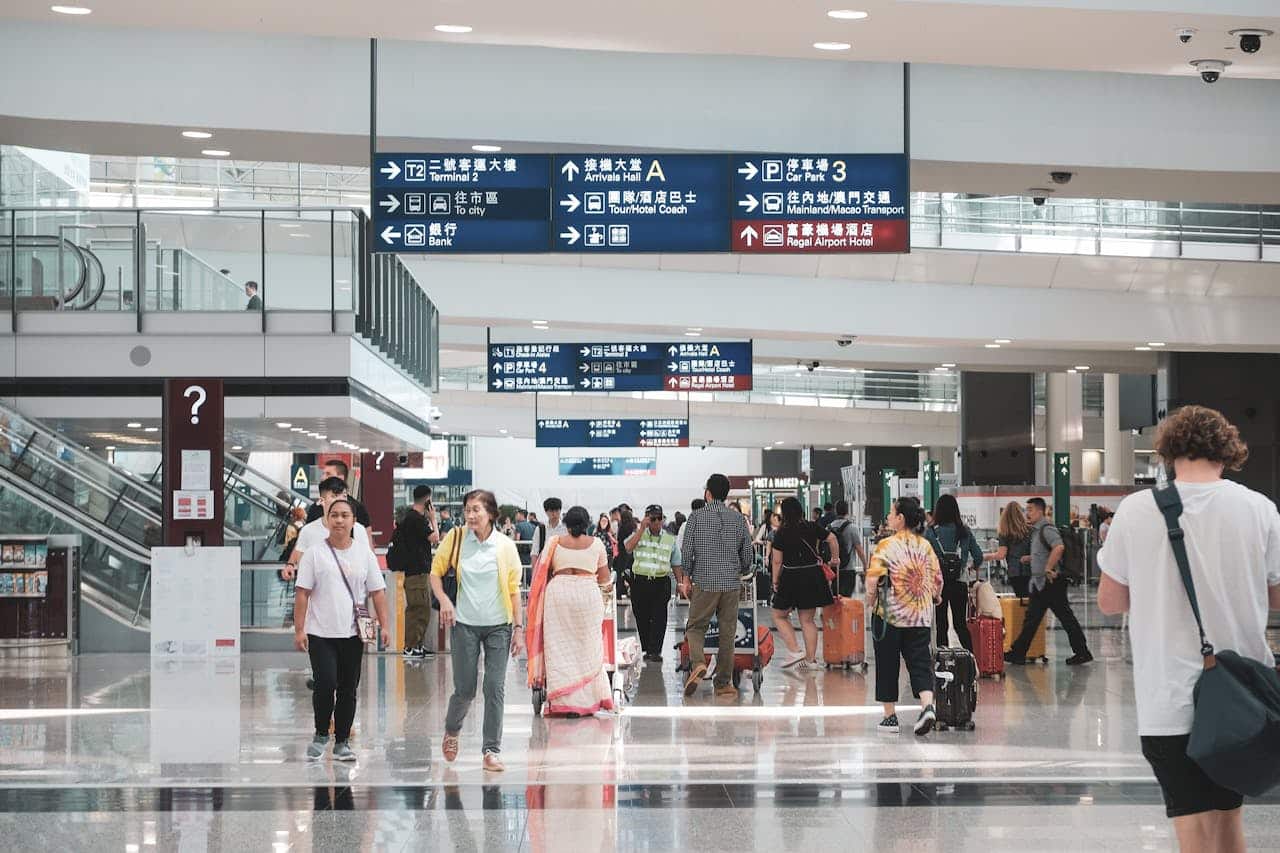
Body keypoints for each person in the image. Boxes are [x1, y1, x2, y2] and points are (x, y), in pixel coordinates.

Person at [1098, 405, 1280, 853]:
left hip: (1168, 696)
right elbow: (1277, 596)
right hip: (1243, 698)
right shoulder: (1260, 509)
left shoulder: (1136, 511)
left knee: (1193, 830)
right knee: (1228, 823)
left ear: (1169, 452)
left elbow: (1109, 602)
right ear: (1228, 452)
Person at [432, 490, 523, 773]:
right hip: (465, 626)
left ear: (491, 514)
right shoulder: (456, 538)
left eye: (476, 510)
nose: (470, 515)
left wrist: (519, 628)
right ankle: (452, 729)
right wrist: (445, 601)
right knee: (465, 689)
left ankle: (491, 750)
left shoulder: (505, 546)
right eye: (467, 510)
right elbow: (435, 573)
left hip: (499, 626)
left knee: (494, 686)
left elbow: (514, 590)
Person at [293, 498, 391, 761]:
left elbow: (378, 592)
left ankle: (342, 741)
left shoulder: (364, 553)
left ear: (353, 521)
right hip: (320, 632)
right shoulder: (315, 553)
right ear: (327, 520)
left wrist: (385, 625)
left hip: (353, 632)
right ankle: (321, 733)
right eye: (334, 515)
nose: (339, 520)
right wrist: (299, 629)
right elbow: (302, 593)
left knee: (349, 687)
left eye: (344, 515)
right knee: (325, 682)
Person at [866, 496, 943, 736]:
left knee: (888, 665)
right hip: (919, 616)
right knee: (920, 663)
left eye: (891, 513)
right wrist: (936, 597)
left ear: (900, 519)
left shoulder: (886, 546)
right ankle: (927, 706)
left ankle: (890, 718)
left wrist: (870, 602)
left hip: (890, 617)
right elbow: (938, 579)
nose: (889, 517)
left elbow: (871, 581)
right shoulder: (925, 546)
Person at [526, 506, 614, 716]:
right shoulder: (597, 544)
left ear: (566, 524)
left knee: (559, 647)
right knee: (587, 645)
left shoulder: (554, 544)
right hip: (587, 595)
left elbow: (542, 573)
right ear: (587, 524)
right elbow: (604, 578)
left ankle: (563, 701)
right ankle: (587, 701)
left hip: (559, 596)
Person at [679, 474, 755, 698]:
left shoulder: (696, 517)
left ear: (707, 493)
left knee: (695, 627)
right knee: (728, 632)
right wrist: (738, 570)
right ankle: (723, 683)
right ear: (726, 494)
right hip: (731, 584)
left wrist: (687, 577)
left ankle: (699, 663)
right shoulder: (738, 519)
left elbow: (687, 552)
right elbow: (747, 555)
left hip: (704, 581)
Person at [1004, 497, 1093, 666]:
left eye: (1030, 510)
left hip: (1051, 583)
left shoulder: (1046, 528)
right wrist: (1031, 558)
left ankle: (1082, 652)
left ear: (1039, 511)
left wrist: (1048, 568)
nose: (1027, 513)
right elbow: (1045, 552)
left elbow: (1059, 547)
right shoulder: (1037, 531)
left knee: (1065, 617)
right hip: (1041, 584)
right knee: (1033, 619)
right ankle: (1018, 653)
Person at [769, 496, 838, 670]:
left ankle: (794, 650)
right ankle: (811, 660)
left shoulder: (781, 533)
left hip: (791, 576)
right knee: (807, 620)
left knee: (779, 615)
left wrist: (775, 581)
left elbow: (777, 561)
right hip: (812, 575)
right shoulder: (811, 526)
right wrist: (835, 558)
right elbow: (832, 538)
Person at [624, 505, 682, 663]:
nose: (656, 522)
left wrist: (681, 583)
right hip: (640, 582)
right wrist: (641, 528)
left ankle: (655, 651)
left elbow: (676, 563)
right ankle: (647, 648)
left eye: (659, 518)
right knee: (641, 617)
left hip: (660, 582)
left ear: (663, 519)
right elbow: (628, 548)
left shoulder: (670, 539)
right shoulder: (638, 534)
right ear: (646, 518)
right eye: (652, 518)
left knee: (659, 617)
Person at [284, 477, 372, 582]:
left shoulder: (358, 529)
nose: (340, 500)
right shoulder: (309, 531)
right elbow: (301, 559)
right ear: (322, 501)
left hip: (351, 594)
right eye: (334, 496)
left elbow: (368, 564)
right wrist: (290, 564)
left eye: (344, 496)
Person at [926, 494, 984, 652]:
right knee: (960, 624)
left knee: (941, 624)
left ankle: (942, 661)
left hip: (939, 586)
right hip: (960, 583)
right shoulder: (964, 531)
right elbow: (979, 556)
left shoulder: (931, 532)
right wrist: (972, 566)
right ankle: (971, 659)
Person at [392, 485, 440, 659]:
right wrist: (433, 518)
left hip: (416, 572)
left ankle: (417, 645)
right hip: (417, 572)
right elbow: (435, 538)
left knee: (422, 609)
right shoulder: (417, 519)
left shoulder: (409, 518)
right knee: (418, 610)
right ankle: (411, 647)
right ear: (428, 500)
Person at [984, 501, 1033, 598]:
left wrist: (985, 557)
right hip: (1031, 570)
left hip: (1015, 573)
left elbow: (1001, 555)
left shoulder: (1005, 533)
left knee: (1021, 600)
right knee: (1032, 601)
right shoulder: (1030, 530)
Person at [305, 459, 371, 526]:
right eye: (323, 474)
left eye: (328, 474)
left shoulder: (358, 508)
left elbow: (366, 534)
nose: (323, 477)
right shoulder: (315, 508)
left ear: (341, 478)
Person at [828, 499, 869, 597]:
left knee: (834, 599)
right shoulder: (852, 528)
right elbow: (859, 549)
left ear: (835, 511)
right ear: (847, 511)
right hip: (848, 569)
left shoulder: (829, 528)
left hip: (833, 568)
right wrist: (865, 565)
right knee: (846, 600)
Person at [531, 497, 568, 563]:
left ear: (560, 510)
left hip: (563, 564)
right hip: (545, 565)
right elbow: (534, 552)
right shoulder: (540, 529)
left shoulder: (566, 528)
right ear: (546, 512)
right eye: (551, 511)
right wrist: (534, 572)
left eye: (557, 510)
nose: (554, 514)